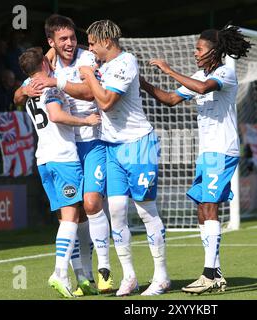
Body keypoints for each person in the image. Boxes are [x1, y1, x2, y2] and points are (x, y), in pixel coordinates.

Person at [139, 25, 251, 294]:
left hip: (222, 150)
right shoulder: (199, 75)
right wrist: (140, 82)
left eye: (199, 48)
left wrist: (168, 70)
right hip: (207, 152)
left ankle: (209, 275)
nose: (195, 52)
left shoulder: (226, 72)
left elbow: (202, 88)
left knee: (210, 206)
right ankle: (216, 273)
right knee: (202, 208)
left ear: (214, 50)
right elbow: (170, 99)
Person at [14, 14, 113, 296]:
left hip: (65, 151)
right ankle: (69, 274)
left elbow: (87, 92)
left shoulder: (85, 59)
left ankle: (96, 273)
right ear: (51, 44)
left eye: (72, 37)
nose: (69, 43)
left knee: (89, 207)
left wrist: (47, 83)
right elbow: (47, 110)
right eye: (63, 40)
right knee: (71, 215)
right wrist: (27, 89)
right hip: (64, 153)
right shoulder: (45, 76)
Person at [79, 19, 170, 296]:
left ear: (107, 41)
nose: (91, 48)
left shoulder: (126, 61)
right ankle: (129, 276)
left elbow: (106, 102)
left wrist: (88, 74)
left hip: (138, 145)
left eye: (93, 43)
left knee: (145, 210)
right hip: (112, 147)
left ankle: (162, 276)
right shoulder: (102, 67)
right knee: (116, 212)